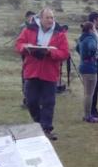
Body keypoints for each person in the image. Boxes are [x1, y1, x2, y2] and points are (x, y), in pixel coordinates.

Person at [16, 8, 69, 140]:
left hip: (50, 73)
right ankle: (39, 123)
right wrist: (26, 48)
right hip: (32, 71)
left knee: (48, 102)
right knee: (31, 101)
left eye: (52, 17)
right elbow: (19, 44)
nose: (51, 20)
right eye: (48, 18)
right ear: (40, 18)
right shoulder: (29, 29)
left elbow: (65, 53)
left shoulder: (60, 33)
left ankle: (46, 128)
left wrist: (51, 52)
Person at [76, 22, 98, 123]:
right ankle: (88, 116)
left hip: (83, 66)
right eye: (93, 28)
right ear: (90, 29)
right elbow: (92, 47)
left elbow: (77, 48)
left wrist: (83, 55)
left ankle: (87, 114)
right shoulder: (91, 38)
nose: (95, 29)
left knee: (87, 92)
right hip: (90, 67)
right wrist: (93, 55)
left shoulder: (82, 38)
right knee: (89, 93)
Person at [20, 11, 36, 108]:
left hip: (35, 60)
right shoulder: (24, 28)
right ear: (27, 18)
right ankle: (26, 101)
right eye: (31, 18)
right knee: (26, 81)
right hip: (26, 59)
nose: (33, 20)